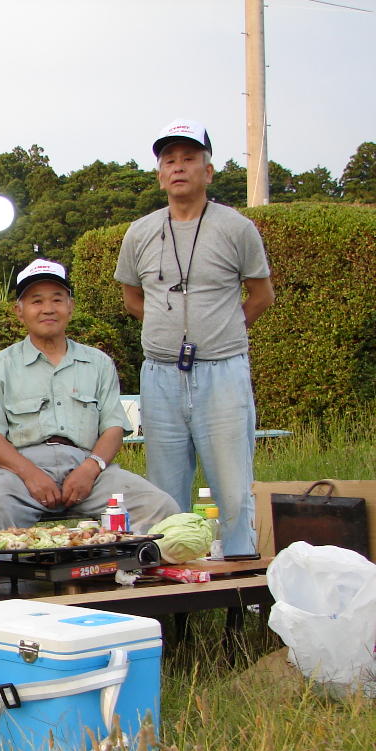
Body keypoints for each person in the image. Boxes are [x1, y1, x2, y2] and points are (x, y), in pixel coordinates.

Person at [114, 119, 275, 559]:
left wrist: (222, 329)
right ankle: (174, 581)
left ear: (208, 170)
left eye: (189, 158)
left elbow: (261, 295)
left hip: (222, 373)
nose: (179, 167)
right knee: (165, 494)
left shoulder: (236, 228)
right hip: (161, 374)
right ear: (159, 174)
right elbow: (132, 298)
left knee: (232, 489)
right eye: (169, 160)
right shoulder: (140, 232)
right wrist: (165, 328)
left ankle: (241, 576)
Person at [0, 259, 179, 539]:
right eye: (36, 301)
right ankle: (6, 570)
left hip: (88, 467)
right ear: (19, 311)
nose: (48, 309)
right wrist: (31, 475)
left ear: (70, 307)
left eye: (57, 299)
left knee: (160, 507)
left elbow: (113, 428)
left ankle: (126, 564)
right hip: (19, 471)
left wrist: (90, 469)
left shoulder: (98, 363)